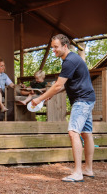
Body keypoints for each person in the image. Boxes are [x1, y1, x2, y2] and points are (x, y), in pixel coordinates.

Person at [32, 34, 95, 182]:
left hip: (81, 100)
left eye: (56, 47)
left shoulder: (69, 62)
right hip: (88, 99)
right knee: (86, 133)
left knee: (73, 132)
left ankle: (78, 172)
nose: (53, 50)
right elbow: (66, 85)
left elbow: (58, 84)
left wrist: (39, 99)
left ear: (64, 46)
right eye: (52, 47)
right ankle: (88, 169)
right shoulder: (72, 59)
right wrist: (52, 94)